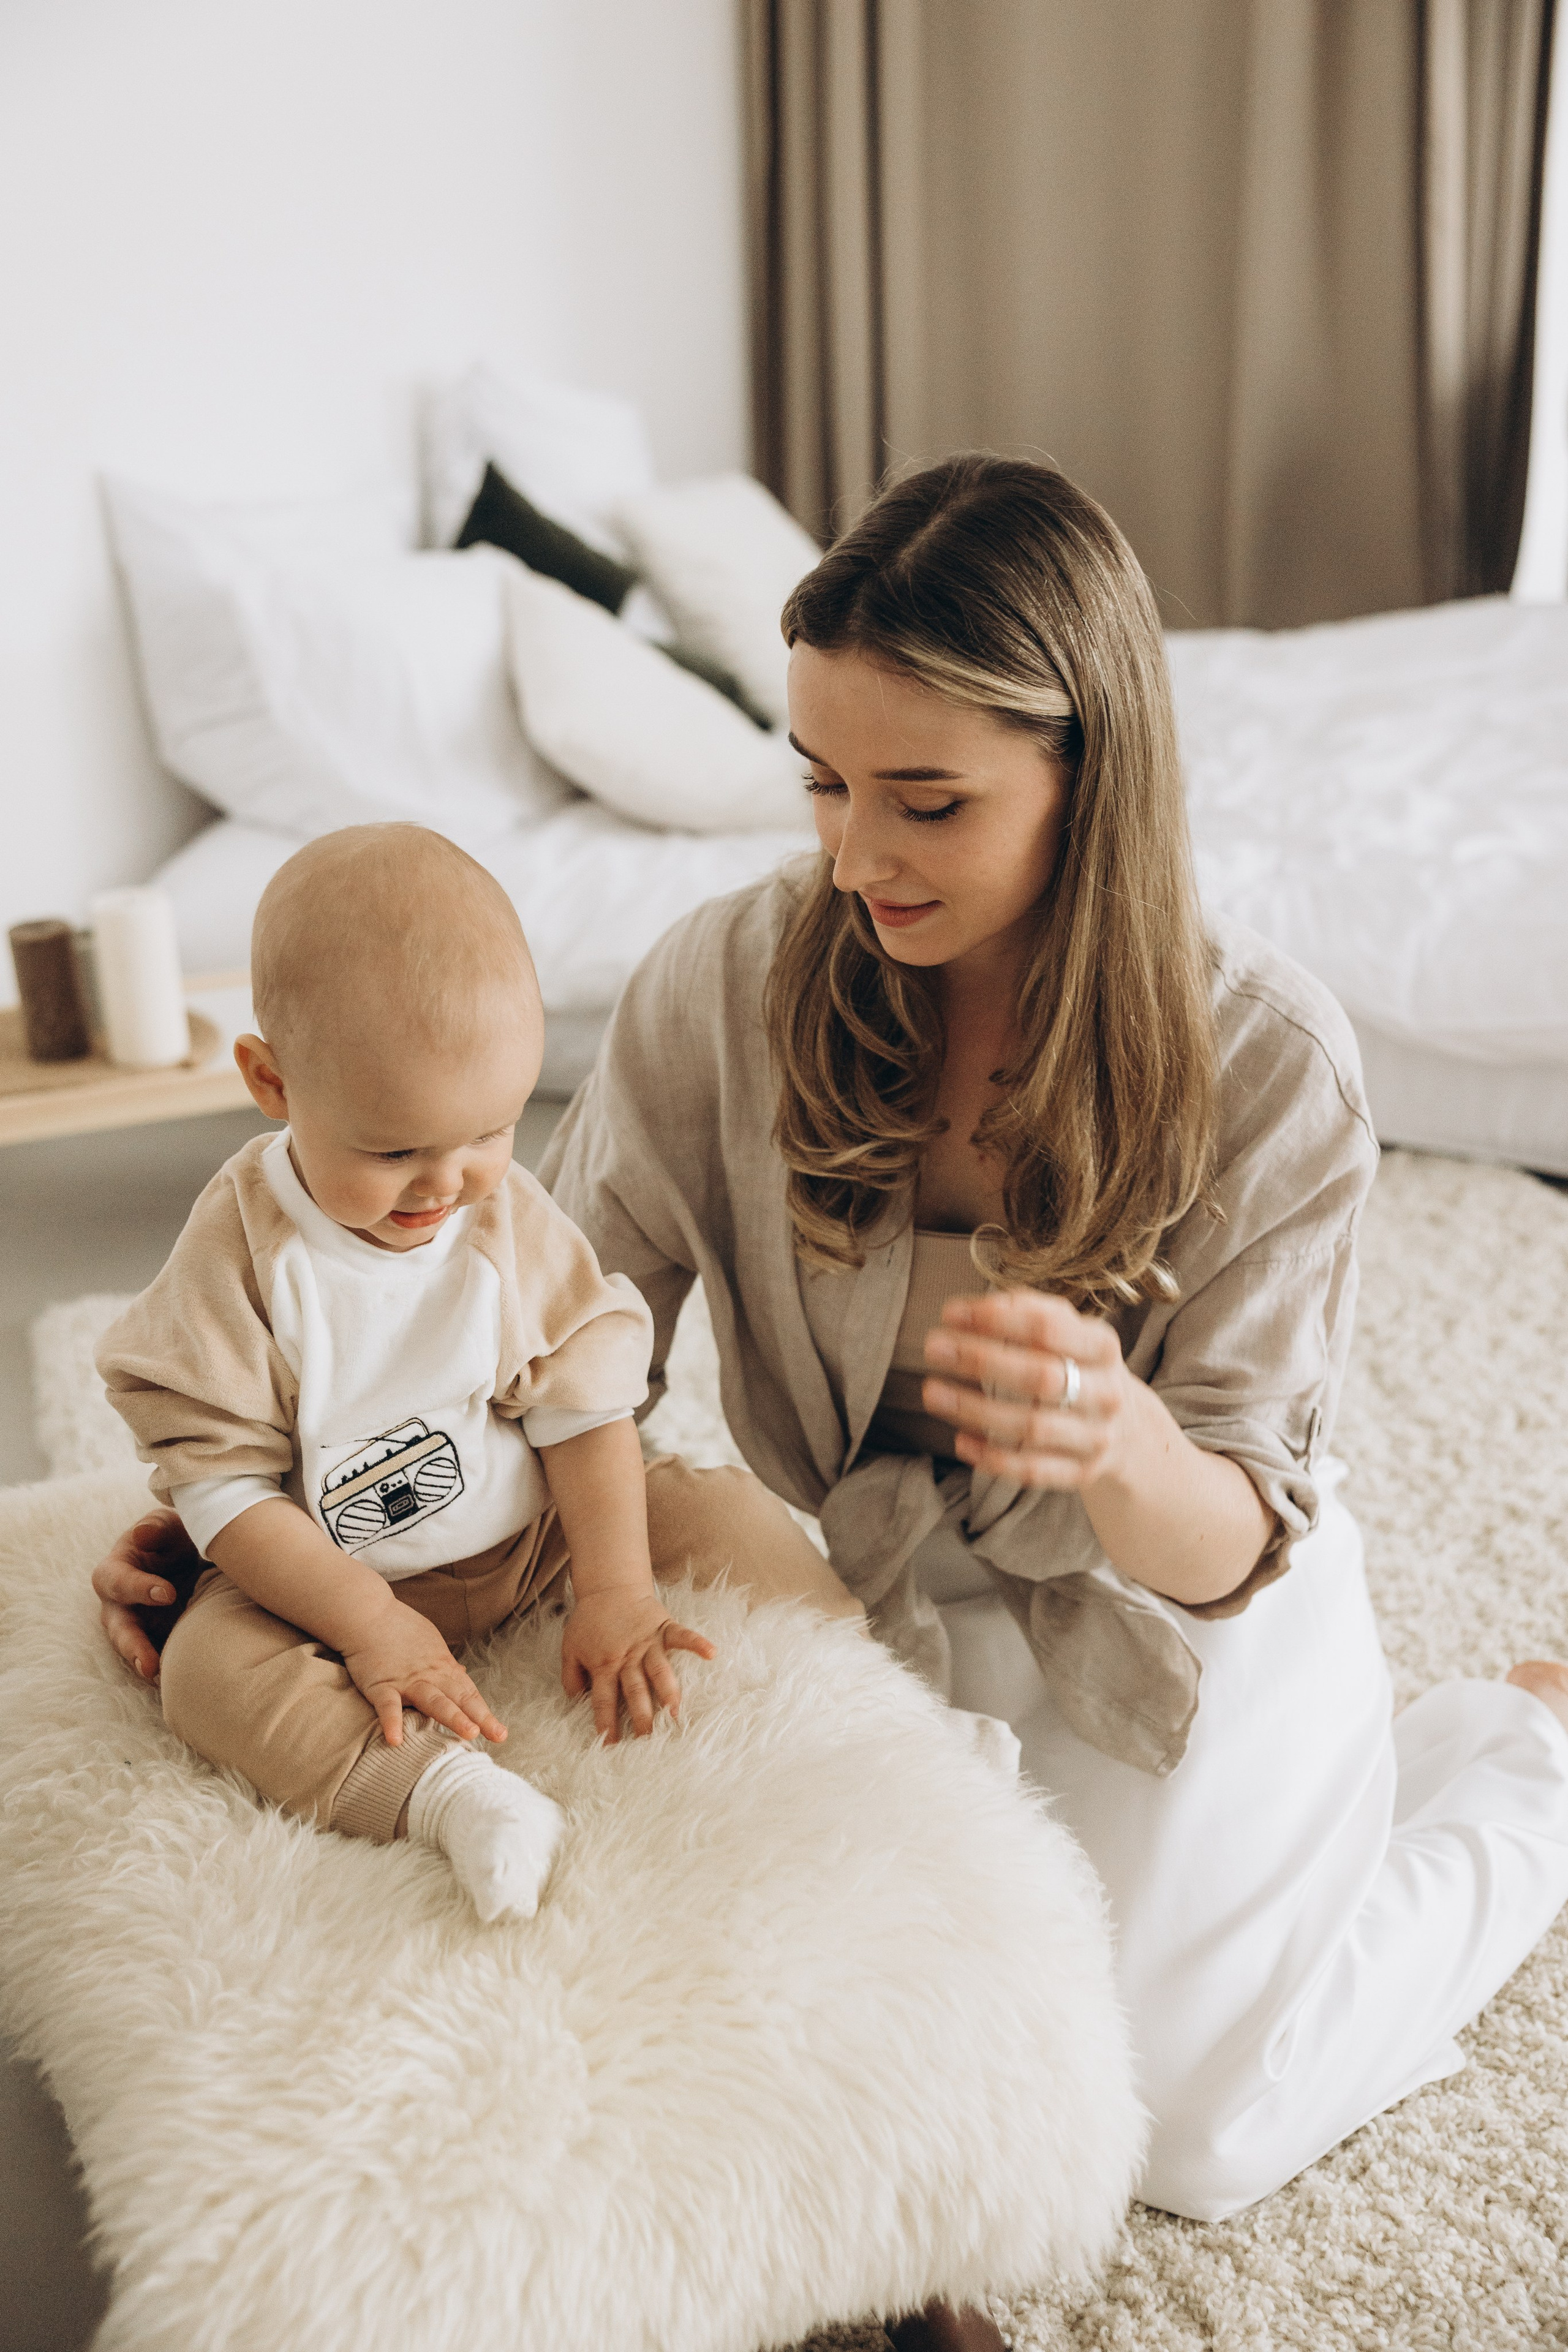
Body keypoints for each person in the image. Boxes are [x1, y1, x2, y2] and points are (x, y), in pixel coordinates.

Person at [92, 456, 1568, 2342]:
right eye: (824, 782)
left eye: (927, 801)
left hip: (1177, 1605)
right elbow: (545, 1331)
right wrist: (268, 1512)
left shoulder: (1271, 1066)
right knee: (921, 2035)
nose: (857, 855)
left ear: (1090, 776)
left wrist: (1119, 1441)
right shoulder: (723, 986)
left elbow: (1230, 1542)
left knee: (1183, 2128)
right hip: (864, 1600)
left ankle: (1514, 1760)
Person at [93, 825, 856, 1923]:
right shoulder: (244, 1256)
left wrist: (614, 1589)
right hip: (332, 1570)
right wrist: (366, 1623)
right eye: (395, 1150)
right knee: (205, 1676)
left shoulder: (498, 1216)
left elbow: (586, 1405)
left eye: (490, 1131)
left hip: (532, 1535)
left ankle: (886, 1695)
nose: (446, 1183)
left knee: (727, 1512)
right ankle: (450, 1797)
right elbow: (222, 1489)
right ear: (271, 1079)